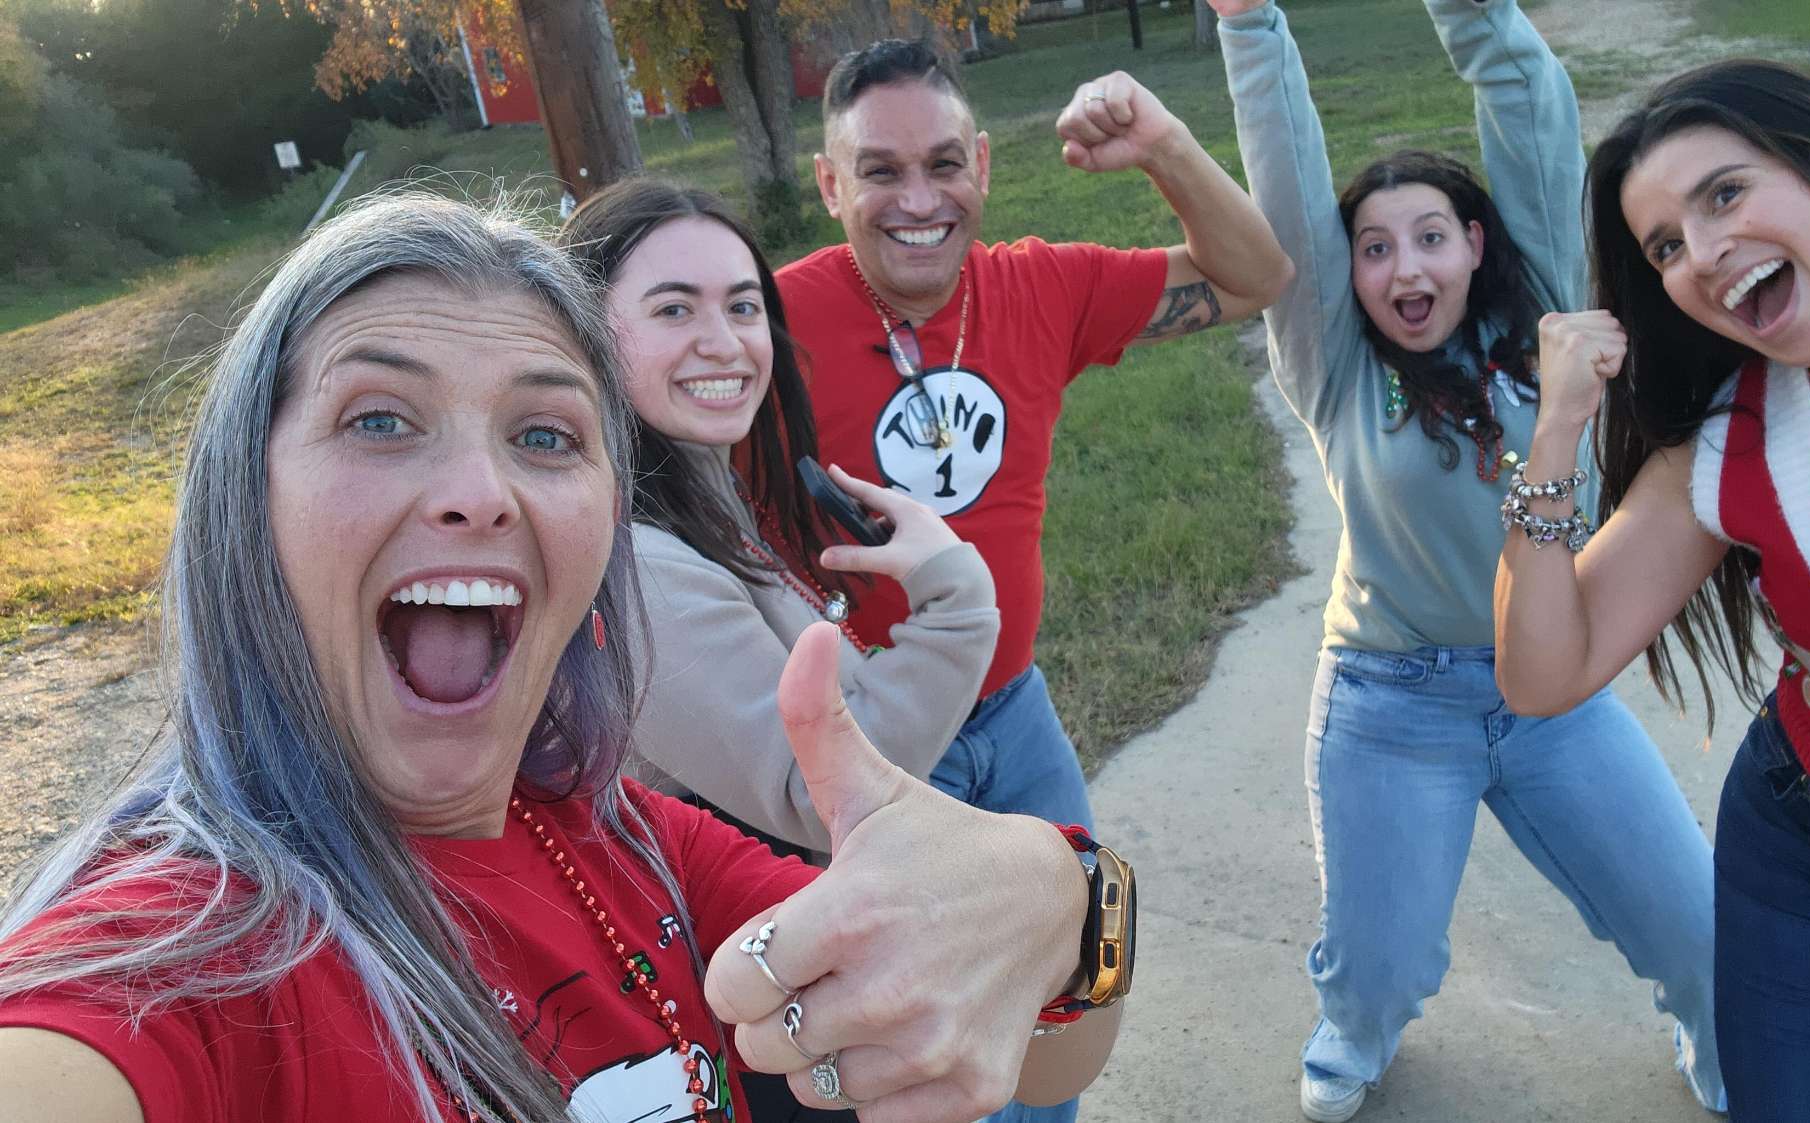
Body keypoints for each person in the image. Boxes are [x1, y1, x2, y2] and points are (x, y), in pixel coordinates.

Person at [0, 193, 1125, 1123]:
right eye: (380, 419)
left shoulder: (626, 842)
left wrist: (1069, 903)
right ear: (245, 498)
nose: (478, 495)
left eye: (544, 435)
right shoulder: (169, 960)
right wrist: (953, 609)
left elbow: (1049, 1052)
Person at [1209, 1, 1725, 1119]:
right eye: (1374, 246)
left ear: (1476, 243)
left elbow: (1528, 107)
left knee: (1699, 928)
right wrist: (1249, 26)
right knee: (1378, 967)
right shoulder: (1334, 366)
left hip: (1559, 694)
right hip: (1391, 705)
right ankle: (1353, 1034)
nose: (1403, 266)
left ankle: (1722, 1042)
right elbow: (1289, 191)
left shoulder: (1542, 315)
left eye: (1429, 235)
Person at [1495, 56, 1810, 1123]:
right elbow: (1544, 672)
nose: (1701, 253)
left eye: (1723, 193)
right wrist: (1552, 433)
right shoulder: (1729, 440)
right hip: (1808, 844)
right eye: (1664, 246)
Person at [776, 38, 1294, 856]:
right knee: (933, 980)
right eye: (879, 172)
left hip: (1016, 709)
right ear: (831, 184)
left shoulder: (1041, 287)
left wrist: (1163, 147)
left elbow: (1255, 276)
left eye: (944, 164)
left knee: (1087, 962)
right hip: (874, 734)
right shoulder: (764, 327)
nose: (919, 200)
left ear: (982, 165)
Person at [561, 178, 1000, 856]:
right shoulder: (637, 568)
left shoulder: (703, 495)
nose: (724, 343)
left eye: (743, 306)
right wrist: (958, 604)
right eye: (675, 309)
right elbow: (819, 787)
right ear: (582, 332)